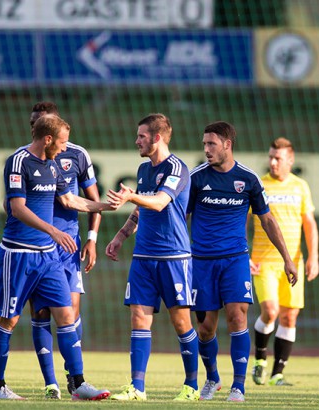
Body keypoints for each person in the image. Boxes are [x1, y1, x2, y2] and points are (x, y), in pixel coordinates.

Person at [0, 114, 115, 401]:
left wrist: (105, 206)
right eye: (61, 141)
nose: (64, 147)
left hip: (48, 259)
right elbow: (17, 208)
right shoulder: (18, 162)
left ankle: (78, 383)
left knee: (67, 315)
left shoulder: (53, 167)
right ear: (47, 139)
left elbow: (71, 200)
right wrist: (53, 230)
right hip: (18, 255)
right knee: (9, 319)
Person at [187, 121, 298, 403]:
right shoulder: (197, 178)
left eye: (211, 144)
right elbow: (177, 215)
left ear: (227, 144)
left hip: (235, 260)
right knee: (205, 328)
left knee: (238, 317)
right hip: (202, 262)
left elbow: (268, 220)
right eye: (204, 144)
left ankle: (239, 386)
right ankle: (212, 377)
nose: (206, 150)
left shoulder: (248, 179)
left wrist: (288, 259)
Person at [104, 113, 199, 402]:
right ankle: (137, 388)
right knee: (138, 318)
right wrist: (121, 236)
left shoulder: (177, 168)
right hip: (143, 258)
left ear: (157, 138)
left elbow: (158, 203)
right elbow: (140, 209)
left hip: (174, 257)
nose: (137, 141)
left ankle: (192, 387)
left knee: (181, 322)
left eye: (142, 136)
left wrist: (132, 196)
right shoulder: (144, 169)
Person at [23, 102, 102, 399]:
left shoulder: (77, 154)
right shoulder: (24, 159)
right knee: (41, 312)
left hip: (68, 248)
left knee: (70, 313)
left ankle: (75, 380)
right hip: (38, 248)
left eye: (40, 122)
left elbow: (90, 201)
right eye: (32, 123)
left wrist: (92, 239)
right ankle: (50, 384)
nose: (35, 128)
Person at [249, 137, 319, 386]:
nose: (273, 161)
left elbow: (309, 223)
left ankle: (277, 374)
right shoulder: (258, 185)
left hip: (294, 262)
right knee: (270, 311)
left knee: (289, 317)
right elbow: (239, 221)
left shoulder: (300, 186)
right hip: (263, 262)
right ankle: (259, 360)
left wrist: (314, 256)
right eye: (270, 156)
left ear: (290, 160)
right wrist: (245, 254)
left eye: (278, 158)